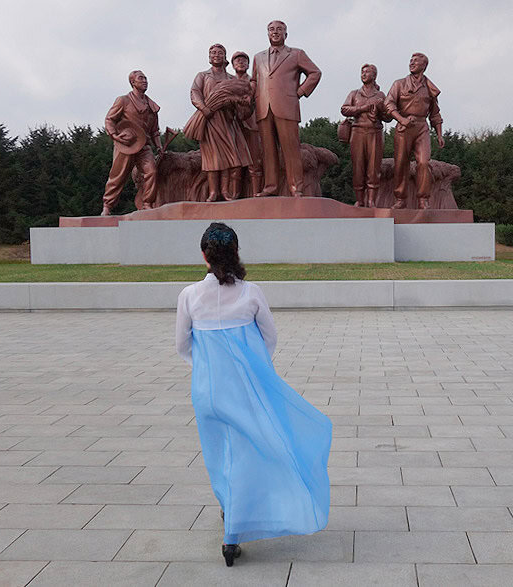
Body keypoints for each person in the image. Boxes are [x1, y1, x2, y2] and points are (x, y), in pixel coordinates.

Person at [175, 223, 332, 567]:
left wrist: (207, 371)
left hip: (208, 390)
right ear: (237, 253)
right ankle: (237, 525)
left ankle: (232, 515)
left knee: (220, 454)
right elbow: (269, 338)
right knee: (250, 451)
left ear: (203, 255)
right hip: (248, 388)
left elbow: (183, 345)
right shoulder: (251, 293)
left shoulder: (188, 295)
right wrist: (253, 368)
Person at [250, 20, 321, 198]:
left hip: (287, 106)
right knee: (268, 151)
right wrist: (248, 95)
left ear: (286, 34)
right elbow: (254, 80)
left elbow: (315, 73)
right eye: (271, 29)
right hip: (263, 107)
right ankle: (270, 186)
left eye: (279, 29)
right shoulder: (258, 57)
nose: (275, 32)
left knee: (291, 149)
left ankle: (296, 187)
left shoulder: (296, 54)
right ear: (267, 34)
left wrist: (300, 92)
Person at [191, 44, 252, 202]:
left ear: (225, 57)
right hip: (209, 121)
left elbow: (241, 99)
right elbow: (195, 93)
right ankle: (213, 192)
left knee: (228, 158)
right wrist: (204, 108)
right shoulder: (203, 76)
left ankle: (225, 191)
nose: (216, 55)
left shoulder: (231, 79)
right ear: (209, 57)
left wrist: (238, 102)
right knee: (212, 158)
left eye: (220, 53)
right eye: (213, 53)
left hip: (227, 122)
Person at [384, 53, 445, 210]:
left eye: (415, 62)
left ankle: (423, 199)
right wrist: (401, 119)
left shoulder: (430, 88)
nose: (411, 63)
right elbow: (389, 104)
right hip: (404, 127)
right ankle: (400, 199)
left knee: (424, 163)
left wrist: (439, 134)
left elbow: (435, 113)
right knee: (401, 164)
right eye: (410, 61)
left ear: (423, 66)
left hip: (422, 128)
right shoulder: (399, 84)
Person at [101, 70, 164, 216]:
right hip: (127, 145)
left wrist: (159, 146)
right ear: (133, 82)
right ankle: (107, 206)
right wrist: (115, 136)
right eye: (141, 78)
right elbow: (110, 119)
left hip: (145, 146)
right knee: (118, 175)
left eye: (146, 78)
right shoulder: (123, 100)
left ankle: (147, 203)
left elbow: (155, 130)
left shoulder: (151, 105)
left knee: (151, 172)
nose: (145, 81)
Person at [341, 64, 391, 208]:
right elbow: (344, 109)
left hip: (375, 132)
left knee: (373, 168)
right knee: (358, 167)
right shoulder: (354, 93)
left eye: (367, 72)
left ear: (374, 75)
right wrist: (362, 108)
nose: (363, 74)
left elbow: (388, 117)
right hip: (358, 132)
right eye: (362, 72)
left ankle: (371, 200)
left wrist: (381, 109)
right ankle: (359, 199)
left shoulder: (381, 95)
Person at [231, 51, 263, 197]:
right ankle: (233, 194)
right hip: (233, 126)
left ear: (248, 65)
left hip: (252, 126)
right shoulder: (228, 82)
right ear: (232, 65)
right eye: (237, 61)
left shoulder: (255, 82)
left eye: (244, 61)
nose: (241, 63)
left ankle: (257, 193)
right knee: (235, 163)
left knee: (254, 161)